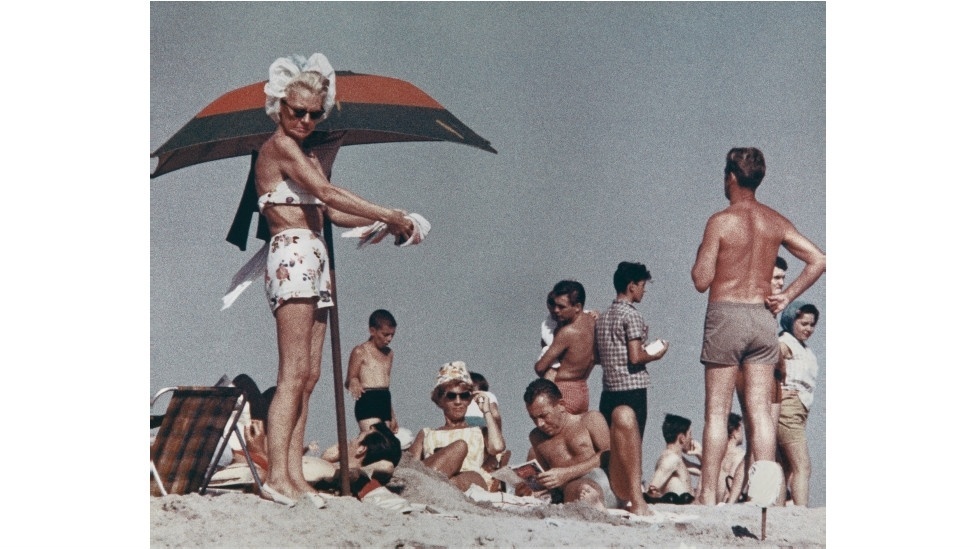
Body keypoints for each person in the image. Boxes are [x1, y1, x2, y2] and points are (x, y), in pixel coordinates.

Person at [254, 53, 415, 505]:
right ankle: (278, 476)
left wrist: (380, 224)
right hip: (292, 254)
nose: (305, 120)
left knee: (310, 374)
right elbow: (326, 191)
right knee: (291, 373)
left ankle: (294, 476)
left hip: (315, 254)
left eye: (313, 114)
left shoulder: (304, 154)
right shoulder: (279, 147)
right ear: (279, 108)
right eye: (296, 111)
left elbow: (329, 210)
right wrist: (386, 211)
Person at [691, 147, 826, 505]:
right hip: (761, 318)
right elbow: (818, 259)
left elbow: (701, 280)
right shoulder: (774, 220)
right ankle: (766, 496)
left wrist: (705, 252)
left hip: (727, 313)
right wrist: (786, 296)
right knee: (760, 412)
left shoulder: (720, 221)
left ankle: (706, 494)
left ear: (730, 177)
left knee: (717, 413)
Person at [594, 261, 669, 516]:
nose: (644, 291)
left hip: (609, 389)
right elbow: (636, 357)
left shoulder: (603, 318)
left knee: (614, 448)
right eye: (642, 286)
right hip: (632, 388)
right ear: (632, 286)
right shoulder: (632, 315)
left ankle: (619, 496)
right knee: (633, 448)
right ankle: (636, 499)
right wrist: (656, 354)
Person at [518, 379, 627, 510]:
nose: (539, 423)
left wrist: (567, 473)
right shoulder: (536, 437)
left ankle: (592, 501)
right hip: (570, 491)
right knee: (572, 488)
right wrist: (531, 487)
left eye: (544, 415)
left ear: (561, 405)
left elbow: (609, 454)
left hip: (603, 482)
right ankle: (591, 504)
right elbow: (547, 477)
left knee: (582, 487)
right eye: (533, 418)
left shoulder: (590, 420)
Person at [407, 361, 506, 491]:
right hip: (436, 477)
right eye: (451, 396)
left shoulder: (480, 432)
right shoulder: (427, 434)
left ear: (470, 399)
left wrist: (486, 411)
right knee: (459, 447)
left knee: (466, 474)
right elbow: (410, 468)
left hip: (470, 482)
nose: (458, 402)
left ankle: (437, 487)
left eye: (464, 396)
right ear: (439, 400)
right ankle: (431, 487)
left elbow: (498, 447)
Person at [776, 301, 821, 507]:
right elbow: (771, 355)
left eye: (812, 325)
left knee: (785, 466)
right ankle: (801, 511)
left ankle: (779, 509)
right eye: (804, 323)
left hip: (799, 408)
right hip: (790, 407)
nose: (808, 329)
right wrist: (779, 388)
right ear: (791, 320)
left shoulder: (802, 347)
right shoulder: (786, 341)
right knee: (802, 466)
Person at [534, 280, 598, 414]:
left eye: (562, 307)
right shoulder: (592, 322)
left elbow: (540, 368)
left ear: (577, 307)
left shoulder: (567, 332)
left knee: (547, 433)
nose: (556, 310)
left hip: (563, 390)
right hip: (582, 390)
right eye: (555, 305)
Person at [346, 309, 400, 434]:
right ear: (373, 331)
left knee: (386, 443)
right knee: (376, 440)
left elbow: (386, 383)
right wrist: (354, 382)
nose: (389, 339)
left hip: (384, 399)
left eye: (392, 335)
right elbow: (350, 378)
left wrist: (392, 414)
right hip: (368, 399)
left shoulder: (389, 354)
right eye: (385, 334)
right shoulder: (360, 351)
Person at [645, 414, 700, 505]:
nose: (692, 438)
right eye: (690, 434)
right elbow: (651, 489)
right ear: (682, 438)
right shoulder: (671, 459)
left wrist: (699, 454)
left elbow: (705, 474)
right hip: (680, 512)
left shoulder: (678, 460)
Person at [718, 413, 746, 504]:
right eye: (741, 430)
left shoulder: (717, 456)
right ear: (734, 432)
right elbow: (732, 485)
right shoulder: (739, 455)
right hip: (730, 503)